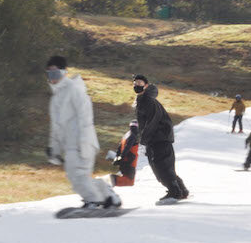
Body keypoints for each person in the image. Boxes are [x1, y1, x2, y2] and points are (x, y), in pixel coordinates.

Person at [45, 56, 121, 209]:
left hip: (82, 142)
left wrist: (84, 142)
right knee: (77, 177)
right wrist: (54, 150)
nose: (53, 78)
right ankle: (107, 194)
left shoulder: (74, 90)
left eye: (56, 74)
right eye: (49, 74)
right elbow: (56, 127)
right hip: (70, 146)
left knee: (78, 176)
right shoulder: (55, 100)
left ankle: (94, 200)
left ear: (64, 73)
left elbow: (85, 116)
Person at [133, 74, 189, 203]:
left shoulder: (148, 101)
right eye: (135, 83)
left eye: (140, 83)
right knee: (165, 166)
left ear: (146, 85)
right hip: (158, 138)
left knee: (160, 166)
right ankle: (181, 190)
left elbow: (152, 121)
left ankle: (174, 192)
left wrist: (143, 141)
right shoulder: (144, 100)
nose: (137, 85)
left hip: (158, 138)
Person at [109, 120, 140, 187]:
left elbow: (119, 147)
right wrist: (122, 157)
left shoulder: (126, 135)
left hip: (125, 161)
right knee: (129, 181)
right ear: (137, 127)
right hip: (130, 161)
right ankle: (109, 181)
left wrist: (118, 157)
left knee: (127, 179)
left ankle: (110, 182)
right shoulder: (133, 136)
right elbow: (127, 147)